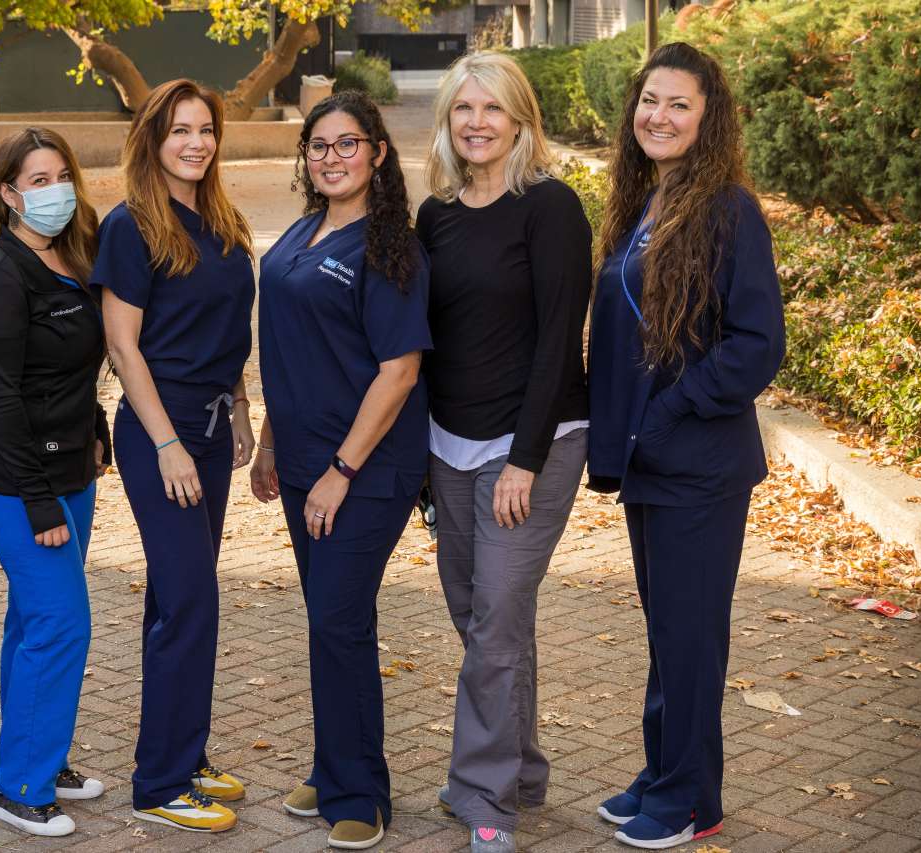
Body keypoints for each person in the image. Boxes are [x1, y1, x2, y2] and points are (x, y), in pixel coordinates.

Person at [586, 42, 785, 850]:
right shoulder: (646, 200)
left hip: (697, 465)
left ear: (708, 120)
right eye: (650, 101)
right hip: (649, 463)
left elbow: (756, 344)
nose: (658, 117)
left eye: (679, 105)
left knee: (691, 634)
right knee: (669, 630)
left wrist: (670, 415)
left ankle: (693, 800)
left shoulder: (728, 209)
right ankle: (665, 770)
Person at [416, 51, 592, 853]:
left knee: (494, 623)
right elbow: (430, 340)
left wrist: (522, 458)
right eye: (464, 110)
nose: (478, 123)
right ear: (449, 122)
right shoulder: (437, 216)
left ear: (521, 120)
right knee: (482, 615)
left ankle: (484, 796)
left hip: (535, 444)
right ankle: (520, 768)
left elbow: (560, 339)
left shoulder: (549, 208)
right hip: (449, 446)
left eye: (492, 109)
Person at [251, 90, 431, 851]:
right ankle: (332, 768)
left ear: (378, 154)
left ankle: (361, 794)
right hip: (299, 458)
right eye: (319, 146)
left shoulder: (389, 249)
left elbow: (398, 370)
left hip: (364, 468)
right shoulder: (300, 231)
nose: (331, 157)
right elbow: (290, 349)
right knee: (328, 620)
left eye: (347, 144)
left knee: (340, 620)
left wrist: (340, 469)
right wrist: (267, 438)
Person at [92, 79, 256, 834]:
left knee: (178, 599)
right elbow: (123, 346)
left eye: (206, 128)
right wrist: (166, 443)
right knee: (190, 600)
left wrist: (244, 411)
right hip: (164, 432)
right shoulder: (132, 227)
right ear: (152, 139)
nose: (195, 142)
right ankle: (159, 781)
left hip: (216, 425)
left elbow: (230, 328)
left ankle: (183, 755)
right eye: (179, 130)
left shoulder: (220, 220)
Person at [0, 128, 110, 836]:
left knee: (32, 619)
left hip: (72, 467)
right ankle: (17, 783)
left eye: (61, 175)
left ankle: (39, 758)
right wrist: (38, 497)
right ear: (8, 193)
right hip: (19, 480)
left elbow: (72, 366)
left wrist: (99, 423)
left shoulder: (72, 259)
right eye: (37, 179)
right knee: (60, 621)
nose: (54, 189)